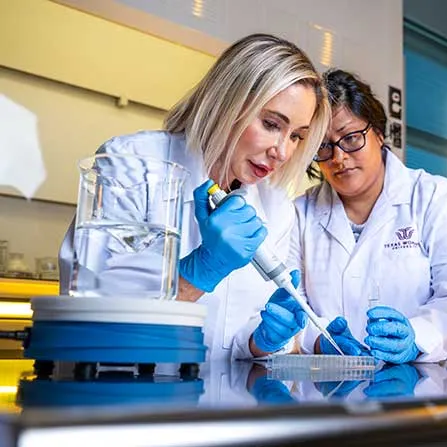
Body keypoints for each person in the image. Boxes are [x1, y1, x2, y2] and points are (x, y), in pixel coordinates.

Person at [58, 34, 330, 360]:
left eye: (297, 136)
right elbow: (98, 324)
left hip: (227, 407)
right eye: (272, 124)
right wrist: (201, 270)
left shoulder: (276, 207)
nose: (283, 152)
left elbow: (238, 338)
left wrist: (265, 339)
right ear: (226, 102)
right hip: (131, 398)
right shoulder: (132, 165)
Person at [288, 69, 447, 363]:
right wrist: (320, 340)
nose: (338, 157)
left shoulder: (435, 196)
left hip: (430, 386)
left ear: (379, 133)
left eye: (350, 138)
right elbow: (290, 303)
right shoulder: (300, 212)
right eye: (323, 146)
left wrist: (418, 336)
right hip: (332, 386)